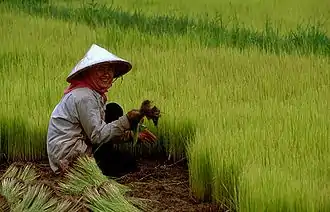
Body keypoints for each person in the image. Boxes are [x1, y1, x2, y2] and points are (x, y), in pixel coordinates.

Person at [46, 44, 157, 176]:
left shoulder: (92, 94)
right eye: (101, 69)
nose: (107, 74)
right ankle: (101, 162)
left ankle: (106, 158)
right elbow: (98, 135)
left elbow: (101, 129)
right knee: (127, 164)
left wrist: (132, 136)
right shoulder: (84, 97)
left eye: (110, 69)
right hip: (69, 158)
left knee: (113, 109)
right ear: (89, 72)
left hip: (78, 147)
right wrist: (127, 119)